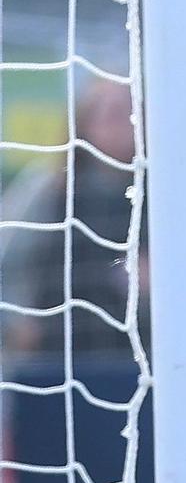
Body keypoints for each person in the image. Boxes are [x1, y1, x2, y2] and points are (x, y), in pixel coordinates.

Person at [1, 76, 148, 358]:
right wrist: (14, 323)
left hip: (144, 358)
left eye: (131, 112)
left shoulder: (167, 196)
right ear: (85, 124)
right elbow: (5, 261)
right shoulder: (50, 189)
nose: (123, 123)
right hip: (58, 359)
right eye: (111, 113)